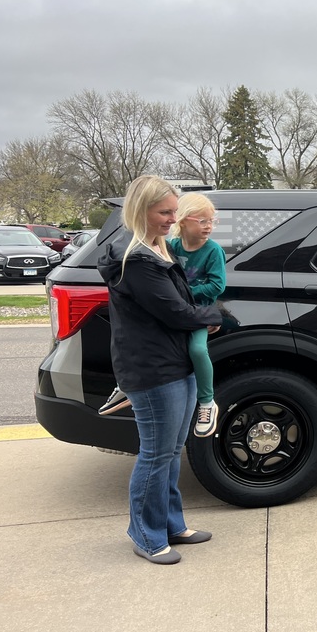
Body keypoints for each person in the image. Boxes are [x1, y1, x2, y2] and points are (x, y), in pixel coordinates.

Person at [98, 175, 223, 565]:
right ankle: (145, 534)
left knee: (171, 451)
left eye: (174, 211)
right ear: (142, 211)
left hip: (174, 359)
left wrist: (199, 317)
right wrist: (215, 315)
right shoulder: (135, 257)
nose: (173, 218)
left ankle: (170, 524)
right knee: (155, 454)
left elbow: (181, 303)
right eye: (165, 212)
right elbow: (175, 311)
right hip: (153, 368)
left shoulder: (157, 249)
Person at [170, 192, 227, 437]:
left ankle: (206, 402)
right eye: (202, 221)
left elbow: (217, 286)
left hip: (197, 313)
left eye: (212, 221)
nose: (208, 227)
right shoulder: (170, 246)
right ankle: (126, 386)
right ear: (183, 220)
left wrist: (185, 292)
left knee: (197, 350)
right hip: (172, 310)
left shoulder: (213, 251)